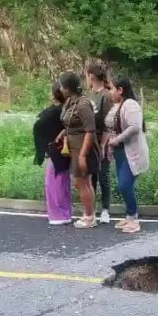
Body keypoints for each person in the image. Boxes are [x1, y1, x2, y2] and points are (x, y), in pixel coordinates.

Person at [106, 76, 149, 234]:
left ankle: (134, 218)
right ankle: (130, 215)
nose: (110, 92)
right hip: (120, 152)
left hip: (130, 152)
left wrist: (116, 140)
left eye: (112, 88)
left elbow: (135, 127)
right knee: (124, 185)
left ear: (120, 90)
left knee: (124, 185)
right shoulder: (118, 105)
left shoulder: (130, 104)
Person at [58, 71, 99, 228]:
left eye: (62, 86)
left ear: (67, 88)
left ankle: (89, 217)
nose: (60, 89)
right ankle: (89, 214)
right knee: (84, 182)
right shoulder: (71, 102)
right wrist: (62, 134)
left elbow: (90, 130)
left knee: (81, 183)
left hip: (83, 148)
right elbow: (70, 124)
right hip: (75, 147)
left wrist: (82, 155)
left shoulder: (83, 104)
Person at [33, 82, 72, 226]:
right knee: (63, 183)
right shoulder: (67, 110)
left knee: (54, 184)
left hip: (55, 152)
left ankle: (58, 215)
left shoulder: (54, 112)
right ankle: (65, 213)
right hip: (65, 151)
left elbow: (38, 126)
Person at [85, 59, 113, 225]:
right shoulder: (90, 95)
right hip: (91, 141)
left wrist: (103, 145)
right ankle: (92, 209)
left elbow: (108, 124)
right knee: (92, 177)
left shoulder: (105, 96)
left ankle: (105, 209)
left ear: (92, 76)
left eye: (87, 75)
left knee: (103, 176)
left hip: (102, 141)